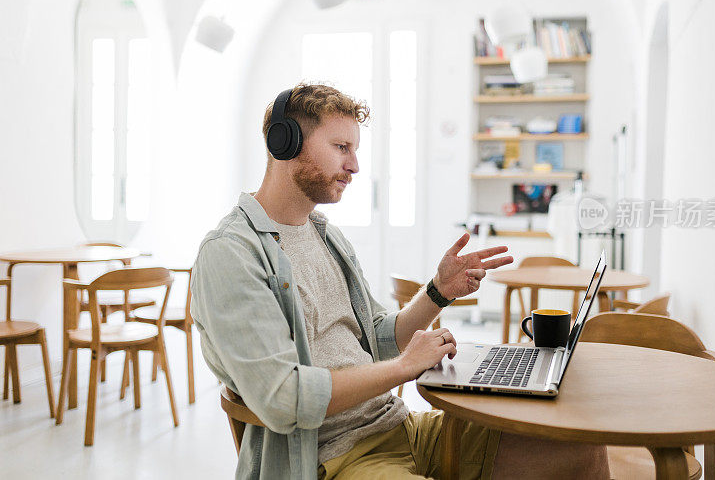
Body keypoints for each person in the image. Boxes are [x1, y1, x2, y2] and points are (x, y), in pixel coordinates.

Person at [191, 83, 610, 479]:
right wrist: (405, 367)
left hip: (400, 428)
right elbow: (284, 398)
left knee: (580, 446)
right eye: (341, 148)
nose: (354, 166)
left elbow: (378, 337)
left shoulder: (325, 235)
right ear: (286, 143)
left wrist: (437, 293)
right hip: (332, 458)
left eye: (354, 150)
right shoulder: (232, 254)